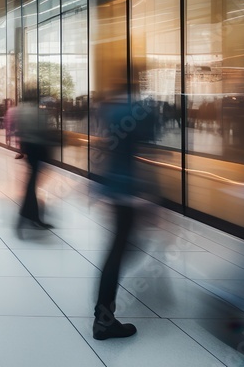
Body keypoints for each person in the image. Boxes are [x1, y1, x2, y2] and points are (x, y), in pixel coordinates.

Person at [91, 89, 156, 341]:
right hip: (129, 189)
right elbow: (144, 153)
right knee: (120, 250)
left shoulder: (109, 108)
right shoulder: (138, 109)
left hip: (114, 187)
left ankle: (103, 314)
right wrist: (151, 193)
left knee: (119, 249)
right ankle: (103, 318)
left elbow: (104, 146)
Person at [15, 90, 57, 232]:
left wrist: (22, 148)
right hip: (39, 149)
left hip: (29, 148)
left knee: (32, 181)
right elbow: (45, 131)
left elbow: (19, 131)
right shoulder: (40, 113)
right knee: (32, 183)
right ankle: (28, 215)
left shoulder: (20, 111)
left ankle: (31, 215)